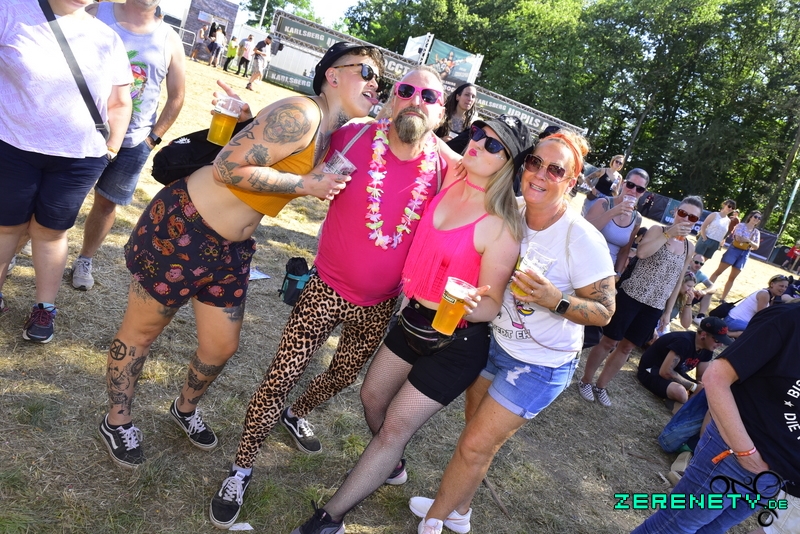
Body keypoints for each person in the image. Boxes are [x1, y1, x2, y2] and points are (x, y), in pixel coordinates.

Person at [97, 42, 384, 470]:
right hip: (185, 229)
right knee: (142, 331)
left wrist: (252, 123)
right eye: (367, 72)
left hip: (232, 249)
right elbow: (226, 168)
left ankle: (184, 408)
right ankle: (117, 419)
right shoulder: (302, 114)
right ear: (333, 75)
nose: (376, 84)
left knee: (221, 345)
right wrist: (305, 185)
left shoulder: (328, 129)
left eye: (381, 80)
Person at [208, 65, 462, 529]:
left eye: (429, 96)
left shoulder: (446, 170)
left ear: (441, 113)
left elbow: (489, 185)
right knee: (281, 376)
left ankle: (297, 413)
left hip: (381, 305)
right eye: (406, 90)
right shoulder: (351, 137)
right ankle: (240, 469)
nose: (415, 100)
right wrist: (250, 120)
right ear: (391, 98)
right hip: (325, 289)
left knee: (344, 376)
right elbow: (292, 146)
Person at [290, 115, 534, 534]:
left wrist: (462, 306)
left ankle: (328, 520)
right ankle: (390, 464)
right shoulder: (451, 177)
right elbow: (416, 124)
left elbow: (492, 306)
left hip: (457, 342)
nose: (479, 143)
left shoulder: (502, 226)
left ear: (508, 163)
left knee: (393, 429)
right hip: (413, 319)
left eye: (494, 145)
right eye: (478, 133)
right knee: (371, 397)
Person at [408, 131, 617, 534]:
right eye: (535, 163)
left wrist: (556, 300)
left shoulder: (581, 238)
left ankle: (434, 520)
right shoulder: (511, 211)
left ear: (571, 182)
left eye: (555, 170)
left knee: (474, 444)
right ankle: (460, 512)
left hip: (540, 365)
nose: (540, 174)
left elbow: (606, 312)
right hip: (496, 343)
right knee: (476, 436)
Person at [0, 0, 132, 342]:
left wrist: (111, 147)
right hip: (12, 146)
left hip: (79, 157)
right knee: (6, 227)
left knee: (52, 231)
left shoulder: (107, 38)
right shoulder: (10, 11)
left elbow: (120, 102)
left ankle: (44, 308)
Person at [632, 300, 800, 533]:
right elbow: (715, 377)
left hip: (778, 475)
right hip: (738, 456)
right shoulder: (788, 319)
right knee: (672, 527)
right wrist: (746, 453)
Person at [70, 0, 186, 293]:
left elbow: (177, 96)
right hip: (81, 130)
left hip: (133, 142)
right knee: (56, 195)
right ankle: (18, 248)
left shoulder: (170, 39)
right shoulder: (97, 12)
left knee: (106, 203)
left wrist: (152, 139)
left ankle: (85, 259)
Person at [579, 196, 703, 406]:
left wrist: (667, 312)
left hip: (654, 305)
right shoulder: (657, 230)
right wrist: (669, 234)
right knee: (609, 341)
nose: (686, 219)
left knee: (627, 347)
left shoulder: (689, 248)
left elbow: (678, 280)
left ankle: (601, 385)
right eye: (683, 213)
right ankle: (586, 380)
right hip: (632, 295)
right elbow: (643, 253)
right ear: (675, 212)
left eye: (692, 217)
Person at [637, 316, 731, 404]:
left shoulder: (707, 348)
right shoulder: (683, 342)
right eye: (717, 340)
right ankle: (678, 402)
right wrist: (693, 387)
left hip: (675, 373)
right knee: (681, 393)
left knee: (707, 395)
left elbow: (701, 377)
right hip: (651, 371)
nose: (720, 345)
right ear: (703, 335)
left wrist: (703, 388)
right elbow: (666, 372)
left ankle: (683, 401)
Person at [585, 168, 649, 276]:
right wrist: (612, 212)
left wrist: (618, 273)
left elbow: (624, 251)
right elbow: (584, 231)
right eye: (630, 185)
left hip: (606, 273)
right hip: (585, 262)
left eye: (640, 189)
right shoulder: (604, 203)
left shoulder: (637, 218)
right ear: (623, 184)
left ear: (643, 193)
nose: (633, 191)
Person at [708, 209, 762, 302]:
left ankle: (723, 299)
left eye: (759, 218)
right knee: (718, 272)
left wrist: (747, 240)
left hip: (745, 253)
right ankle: (706, 290)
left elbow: (756, 246)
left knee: (732, 278)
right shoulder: (741, 225)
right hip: (734, 250)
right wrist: (750, 242)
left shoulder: (757, 232)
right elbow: (738, 238)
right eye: (755, 216)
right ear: (750, 217)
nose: (757, 219)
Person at [722, 274, 789, 335]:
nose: (783, 289)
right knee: (758, 333)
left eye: (786, 287)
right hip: (732, 320)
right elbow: (761, 316)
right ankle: (727, 334)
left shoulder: (771, 296)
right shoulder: (765, 294)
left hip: (737, 321)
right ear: (772, 284)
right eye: (781, 286)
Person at [655, 271, 697, 338]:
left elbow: (686, 324)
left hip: (663, 327)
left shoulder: (682, 298)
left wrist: (689, 303)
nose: (690, 290)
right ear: (680, 283)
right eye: (689, 286)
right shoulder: (666, 292)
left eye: (692, 287)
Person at [686, 253, 718, 323]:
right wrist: (692, 289)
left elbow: (714, 287)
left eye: (701, 264)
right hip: (678, 294)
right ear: (691, 261)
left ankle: (700, 316)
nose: (698, 265)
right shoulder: (683, 269)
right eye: (696, 262)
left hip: (690, 296)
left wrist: (704, 292)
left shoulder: (700, 274)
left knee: (709, 293)